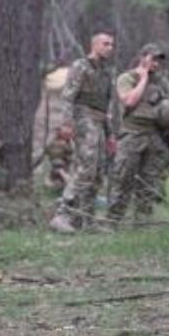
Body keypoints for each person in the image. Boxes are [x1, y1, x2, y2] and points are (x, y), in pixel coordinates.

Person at [49, 31, 116, 233]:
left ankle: (87, 219)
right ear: (94, 45)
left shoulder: (106, 72)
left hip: (99, 122)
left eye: (112, 45)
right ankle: (62, 214)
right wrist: (67, 124)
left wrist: (110, 134)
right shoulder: (81, 66)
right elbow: (68, 96)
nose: (109, 48)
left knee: (97, 171)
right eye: (105, 44)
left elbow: (106, 107)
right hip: (83, 119)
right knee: (85, 167)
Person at [108, 43, 169, 223]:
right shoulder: (127, 78)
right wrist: (143, 78)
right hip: (132, 134)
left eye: (159, 60)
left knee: (149, 181)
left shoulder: (163, 82)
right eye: (153, 58)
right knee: (123, 178)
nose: (156, 63)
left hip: (154, 135)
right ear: (143, 57)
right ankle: (113, 220)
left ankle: (142, 220)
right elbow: (129, 101)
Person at [42, 124, 76, 192]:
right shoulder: (57, 143)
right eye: (66, 133)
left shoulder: (69, 142)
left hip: (66, 170)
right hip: (59, 172)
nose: (69, 135)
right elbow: (57, 163)